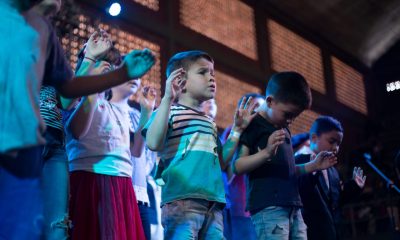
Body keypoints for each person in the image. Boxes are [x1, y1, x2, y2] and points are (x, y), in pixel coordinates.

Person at [143, 50, 257, 239]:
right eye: (203, 72)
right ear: (180, 80)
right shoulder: (169, 112)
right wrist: (166, 99)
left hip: (213, 203)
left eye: (212, 74)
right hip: (182, 201)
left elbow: (221, 162)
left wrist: (237, 130)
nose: (212, 79)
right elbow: (153, 142)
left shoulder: (209, 122)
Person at [65, 42, 156, 239]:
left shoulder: (119, 110)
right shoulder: (85, 101)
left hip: (122, 182)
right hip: (91, 178)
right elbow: (77, 131)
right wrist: (93, 86)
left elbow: (136, 151)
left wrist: (146, 113)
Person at [233, 71, 338, 240]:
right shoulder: (253, 126)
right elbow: (237, 166)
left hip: (293, 206)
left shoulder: (283, 127)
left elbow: (289, 171)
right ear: (270, 101)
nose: (290, 121)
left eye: (295, 116)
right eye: (288, 114)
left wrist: (313, 166)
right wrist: (266, 153)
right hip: (268, 207)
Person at [296, 116, 366, 240]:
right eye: (331, 141)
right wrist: (313, 169)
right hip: (311, 233)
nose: (336, 148)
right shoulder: (299, 161)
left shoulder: (332, 169)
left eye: (338, 144)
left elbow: (335, 202)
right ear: (313, 138)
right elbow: (302, 193)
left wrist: (354, 187)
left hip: (333, 232)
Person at [220, 93, 264, 240]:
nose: (258, 113)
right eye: (254, 108)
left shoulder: (267, 135)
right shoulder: (232, 133)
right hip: (240, 208)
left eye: (262, 108)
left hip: (263, 208)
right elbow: (229, 170)